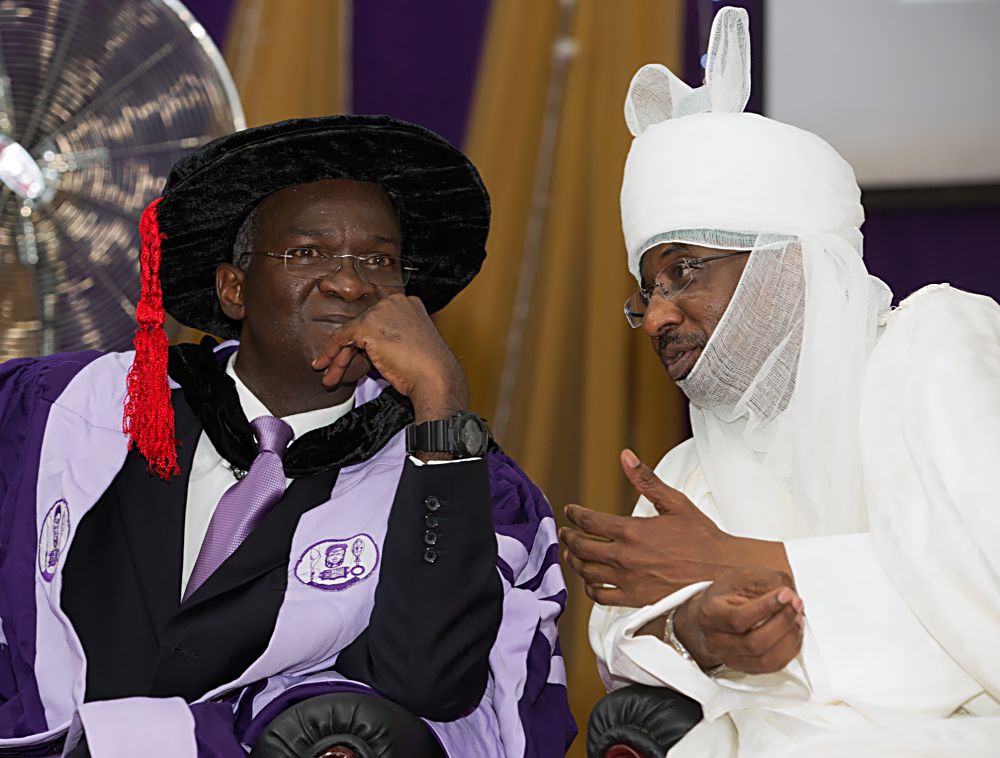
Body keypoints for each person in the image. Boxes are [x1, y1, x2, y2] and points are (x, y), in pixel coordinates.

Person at [0, 115, 576, 757]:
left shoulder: (465, 481)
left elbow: (432, 684)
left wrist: (441, 398)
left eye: (379, 261)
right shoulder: (70, 410)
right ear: (234, 287)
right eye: (307, 253)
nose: (349, 282)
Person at [560, 8, 1000, 756]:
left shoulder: (934, 349)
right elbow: (620, 636)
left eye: (683, 272)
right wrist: (693, 629)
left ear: (787, 262)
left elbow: (981, 591)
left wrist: (750, 561)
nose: (656, 315)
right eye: (646, 290)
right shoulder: (689, 465)